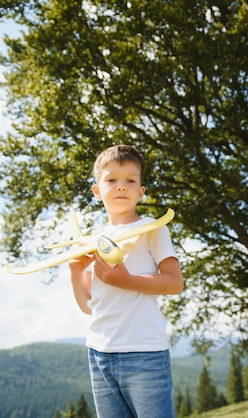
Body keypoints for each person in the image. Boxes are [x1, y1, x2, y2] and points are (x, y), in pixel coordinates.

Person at [68, 144, 184, 418]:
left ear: (141, 191)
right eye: (111, 180)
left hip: (143, 352)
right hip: (99, 351)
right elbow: (88, 305)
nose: (121, 186)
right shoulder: (94, 240)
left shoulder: (152, 229)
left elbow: (174, 282)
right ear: (97, 191)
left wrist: (126, 280)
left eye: (130, 180)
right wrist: (75, 273)